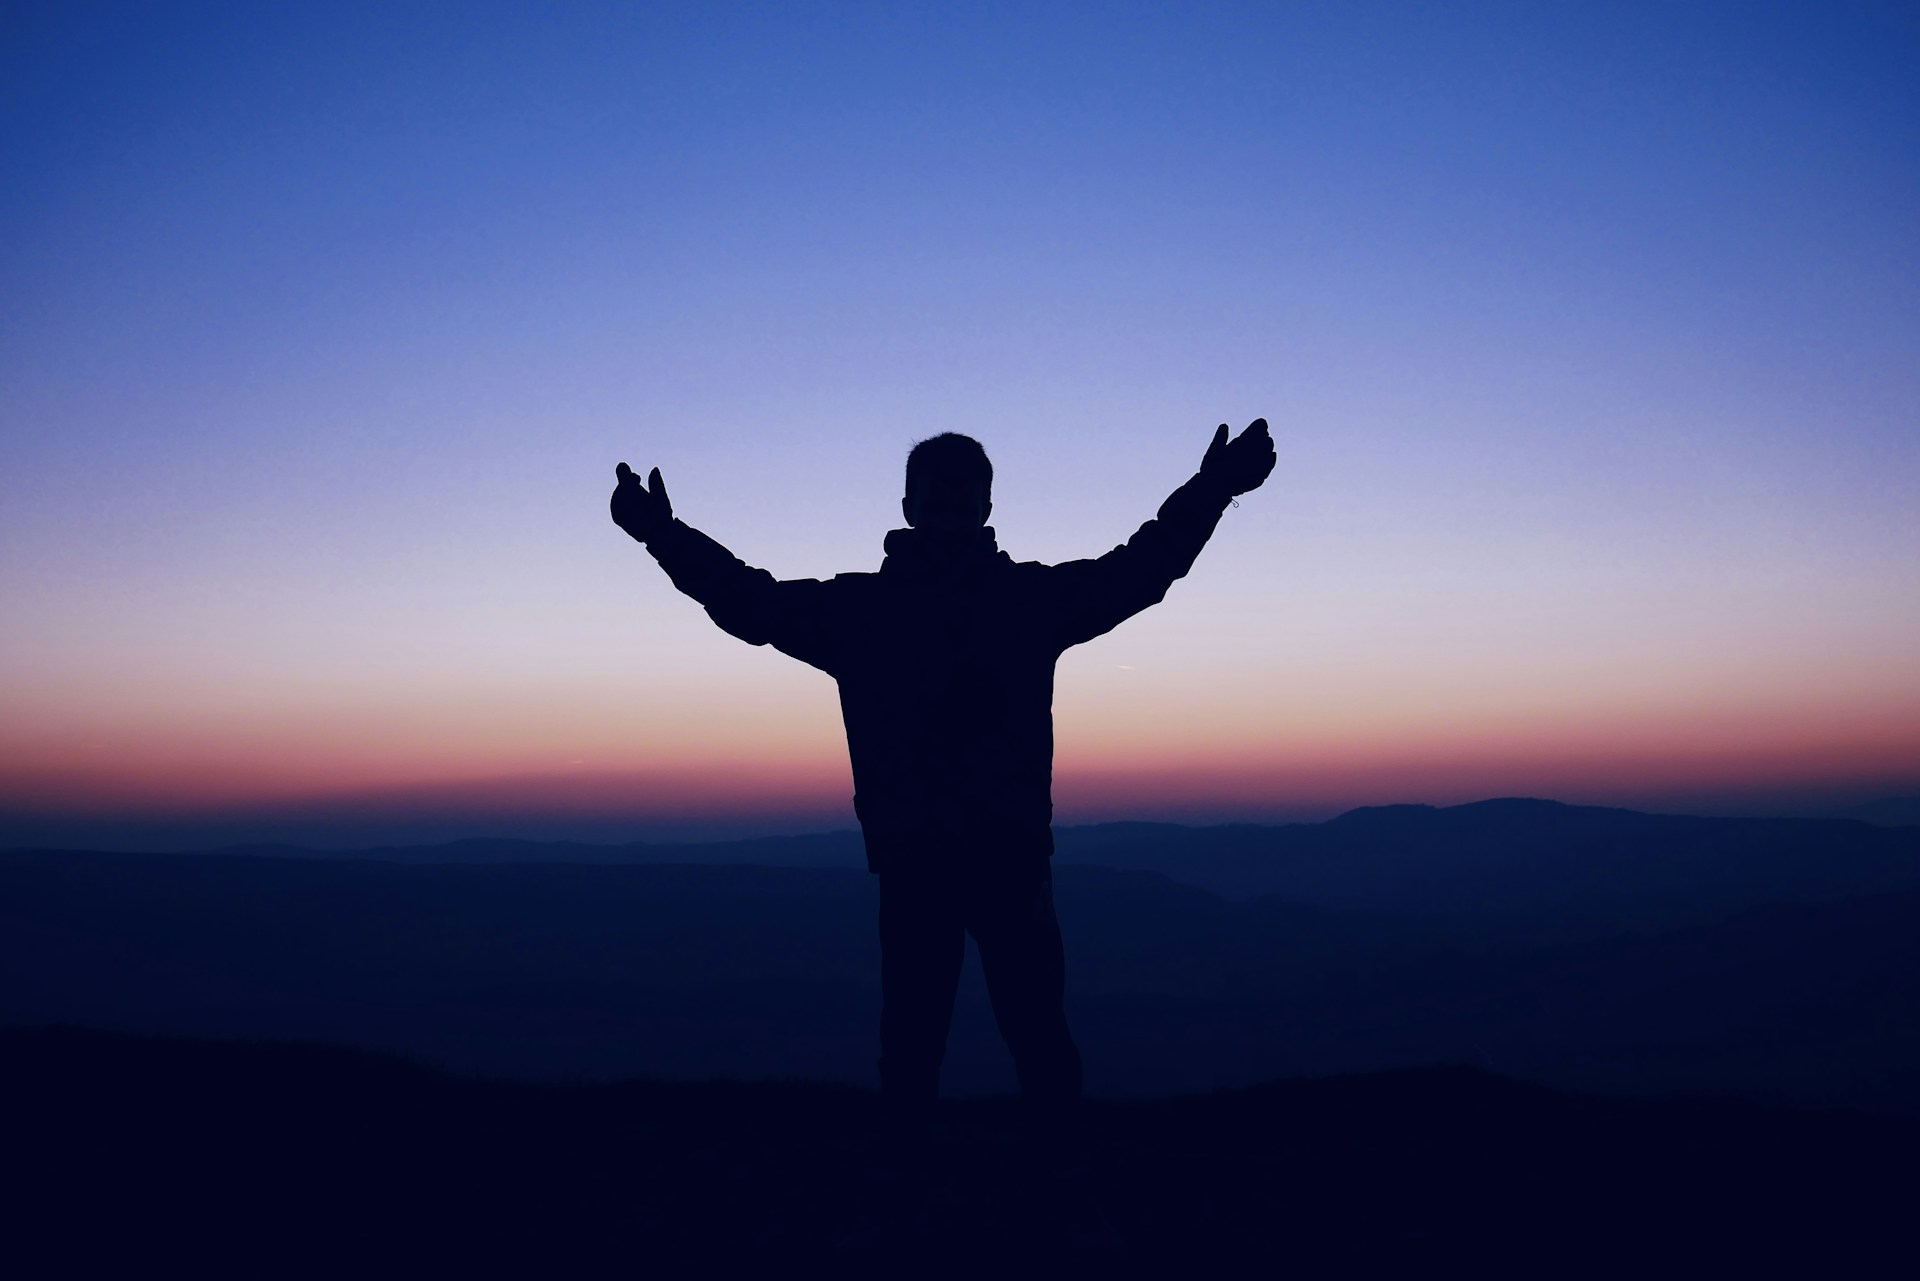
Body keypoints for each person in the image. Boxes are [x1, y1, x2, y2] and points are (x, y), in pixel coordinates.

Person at [610, 420, 1276, 1151]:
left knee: (928, 1045)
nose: (954, 514)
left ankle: (923, 1196)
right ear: (972, 509)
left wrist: (661, 536)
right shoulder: (1020, 602)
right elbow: (1141, 570)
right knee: (1022, 1038)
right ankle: (1054, 1190)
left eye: (956, 500)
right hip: (999, 857)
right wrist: (1213, 489)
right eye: (950, 500)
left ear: (911, 506)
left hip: (924, 858)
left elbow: (749, 603)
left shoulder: (863, 612)